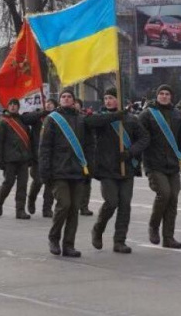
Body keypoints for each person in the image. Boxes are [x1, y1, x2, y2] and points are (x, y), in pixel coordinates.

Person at [39, 88, 120, 257]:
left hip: (78, 170)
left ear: (74, 100)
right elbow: (45, 147)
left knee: (74, 208)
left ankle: (69, 245)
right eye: (63, 97)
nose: (67, 99)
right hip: (58, 170)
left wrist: (89, 167)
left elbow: (90, 146)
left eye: (69, 96)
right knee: (64, 205)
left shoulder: (82, 119)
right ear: (59, 100)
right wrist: (45, 171)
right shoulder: (52, 120)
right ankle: (54, 238)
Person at [88, 88, 150, 253]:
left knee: (125, 205)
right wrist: (116, 116)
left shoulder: (131, 120)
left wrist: (131, 152)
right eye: (106, 98)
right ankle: (98, 229)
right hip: (106, 169)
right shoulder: (100, 117)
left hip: (126, 168)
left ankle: (119, 241)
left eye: (111, 98)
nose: (108, 101)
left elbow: (144, 138)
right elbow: (90, 123)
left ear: (119, 100)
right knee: (111, 202)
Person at [138, 84, 181, 249]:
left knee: (173, 198)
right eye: (161, 93)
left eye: (167, 93)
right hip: (154, 163)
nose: (164, 96)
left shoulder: (177, 115)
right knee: (164, 194)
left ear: (171, 97)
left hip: (173, 164)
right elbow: (140, 137)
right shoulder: (147, 115)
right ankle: (153, 226)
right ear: (157, 95)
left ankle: (168, 237)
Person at [0, 98, 32, 220]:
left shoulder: (23, 121)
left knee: (22, 186)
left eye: (15, 105)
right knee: (8, 183)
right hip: (9, 159)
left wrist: (29, 156)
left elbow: (28, 140)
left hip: (23, 159)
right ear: (8, 106)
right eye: (11, 104)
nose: (13, 107)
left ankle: (20, 211)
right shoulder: (3, 122)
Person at [26, 98, 58, 218]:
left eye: (51, 103)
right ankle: (31, 200)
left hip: (52, 156)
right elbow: (25, 119)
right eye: (47, 103)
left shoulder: (57, 118)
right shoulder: (37, 117)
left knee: (50, 184)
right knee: (38, 181)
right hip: (37, 156)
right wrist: (41, 113)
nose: (49, 105)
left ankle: (47, 208)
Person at [73, 98, 94, 216]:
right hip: (71, 156)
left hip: (85, 155)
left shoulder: (86, 119)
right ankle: (74, 205)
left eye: (78, 104)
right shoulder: (65, 119)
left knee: (86, 181)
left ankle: (84, 206)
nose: (75, 106)